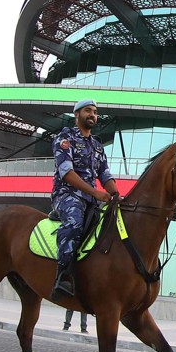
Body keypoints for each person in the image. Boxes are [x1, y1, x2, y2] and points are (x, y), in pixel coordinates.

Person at [49, 99, 120, 301]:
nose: (93, 115)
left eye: (95, 112)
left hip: (91, 200)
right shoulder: (65, 138)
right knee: (74, 223)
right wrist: (96, 193)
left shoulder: (97, 146)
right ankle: (63, 276)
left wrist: (116, 196)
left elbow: (105, 175)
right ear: (77, 114)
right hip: (66, 195)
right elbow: (67, 173)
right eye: (88, 111)